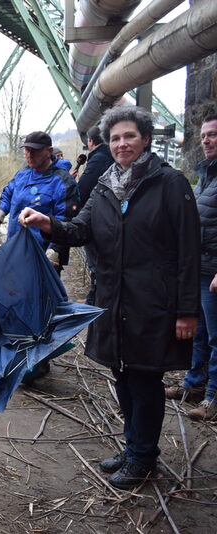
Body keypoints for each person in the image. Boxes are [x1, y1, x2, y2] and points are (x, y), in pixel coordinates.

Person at [19, 105, 199, 490]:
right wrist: (47, 222)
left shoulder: (170, 184)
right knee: (121, 372)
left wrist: (187, 311)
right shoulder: (104, 185)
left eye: (129, 136)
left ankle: (144, 458)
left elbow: (189, 250)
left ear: (145, 139)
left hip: (153, 302)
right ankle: (134, 446)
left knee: (145, 379)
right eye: (116, 138)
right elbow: (80, 229)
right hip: (114, 299)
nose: (122, 144)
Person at [165, 113, 217, 422]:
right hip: (199, 269)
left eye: (213, 134)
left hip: (214, 274)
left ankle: (213, 398)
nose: (207, 140)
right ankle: (195, 385)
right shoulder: (205, 175)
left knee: (216, 337)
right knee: (198, 333)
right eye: (205, 135)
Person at [0, 131, 80, 274]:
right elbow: (8, 194)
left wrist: (55, 251)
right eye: (27, 150)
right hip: (14, 250)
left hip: (42, 256)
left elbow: (66, 220)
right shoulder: (22, 174)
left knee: (41, 295)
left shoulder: (63, 182)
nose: (29, 154)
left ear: (49, 151)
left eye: (35, 151)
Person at [77, 125, 116, 305]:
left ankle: (96, 299)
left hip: (95, 220)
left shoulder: (98, 159)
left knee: (96, 264)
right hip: (107, 219)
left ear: (91, 142)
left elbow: (83, 190)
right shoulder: (110, 158)